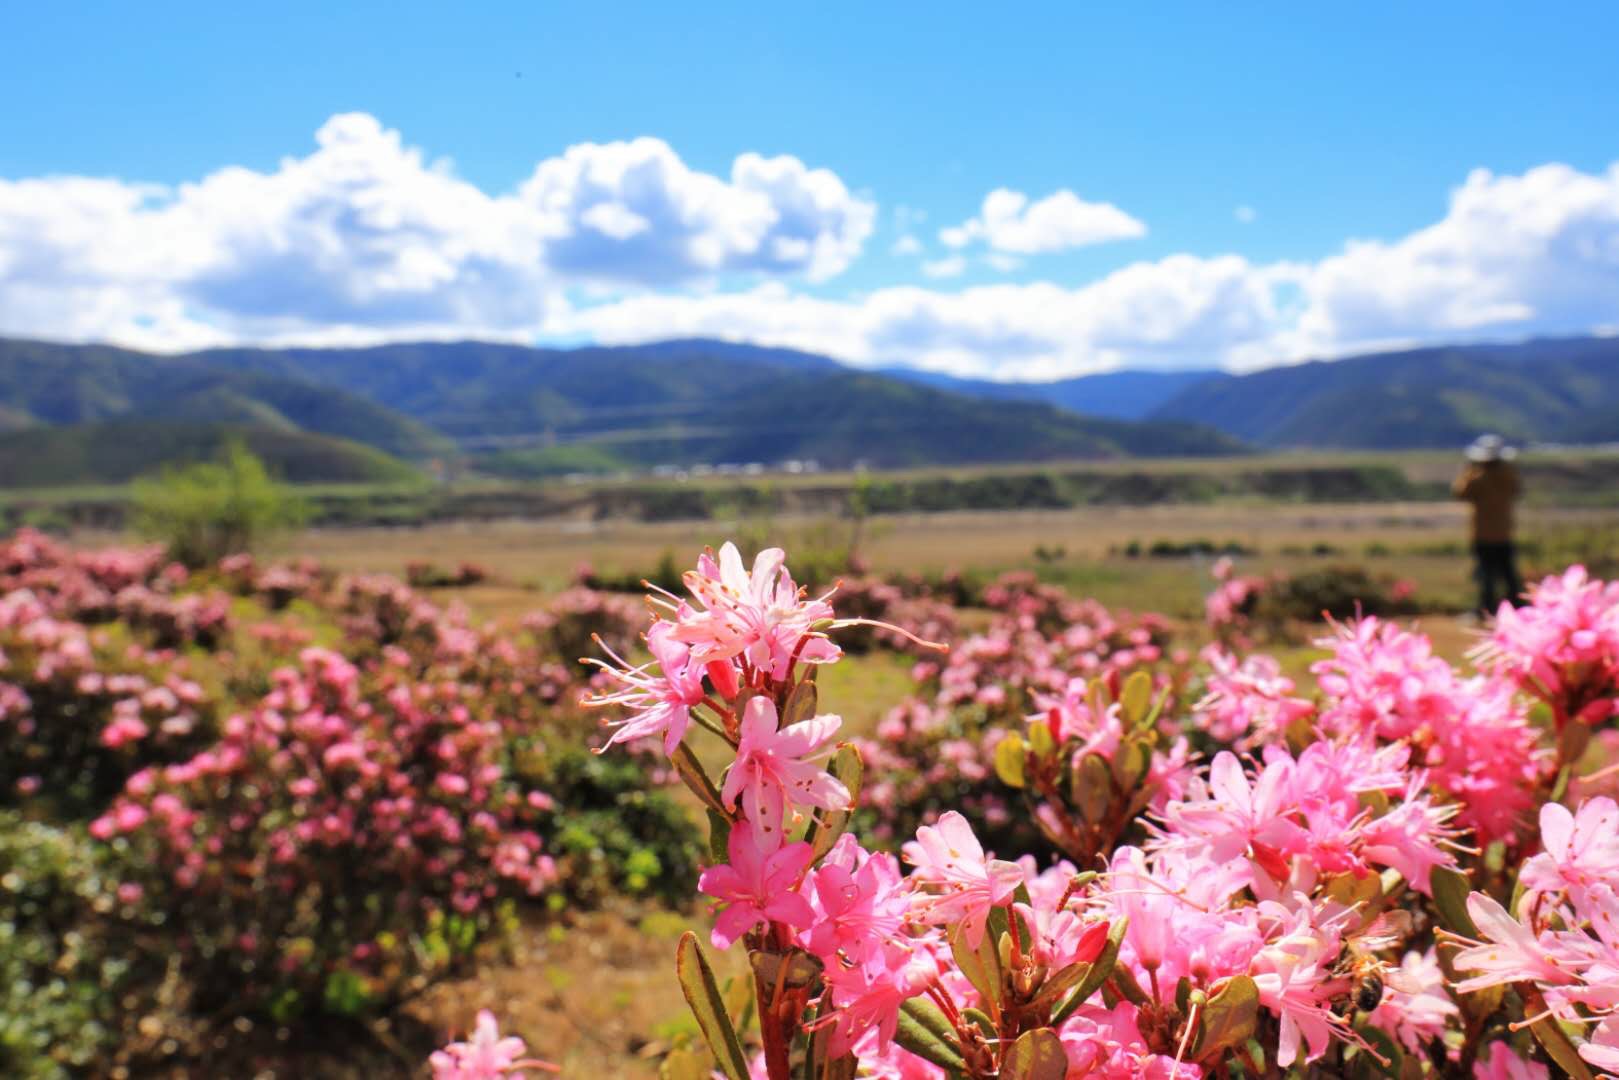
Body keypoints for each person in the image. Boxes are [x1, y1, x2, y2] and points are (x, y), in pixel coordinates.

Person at [1452, 434, 1524, 615]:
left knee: (1486, 576)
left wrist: (1468, 472)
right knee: (1509, 574)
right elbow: (1517, 489)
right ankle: (1516, 606)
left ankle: (1486, 608)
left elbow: (1460, 492)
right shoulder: (1508, 476)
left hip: (1483, 534)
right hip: (1504, 533)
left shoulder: (1478, 478)